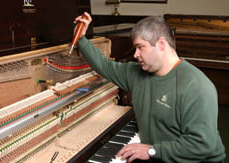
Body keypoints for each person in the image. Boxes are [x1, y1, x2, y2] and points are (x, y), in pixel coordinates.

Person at [73, 12, 226, 163]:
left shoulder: (196, 85)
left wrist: (152, 150)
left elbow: (203, 145)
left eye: (140, 47)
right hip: (163, 154)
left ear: (161, 44)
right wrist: (80, 38)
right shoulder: (136, 73)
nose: (135, 54)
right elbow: (104, 66)